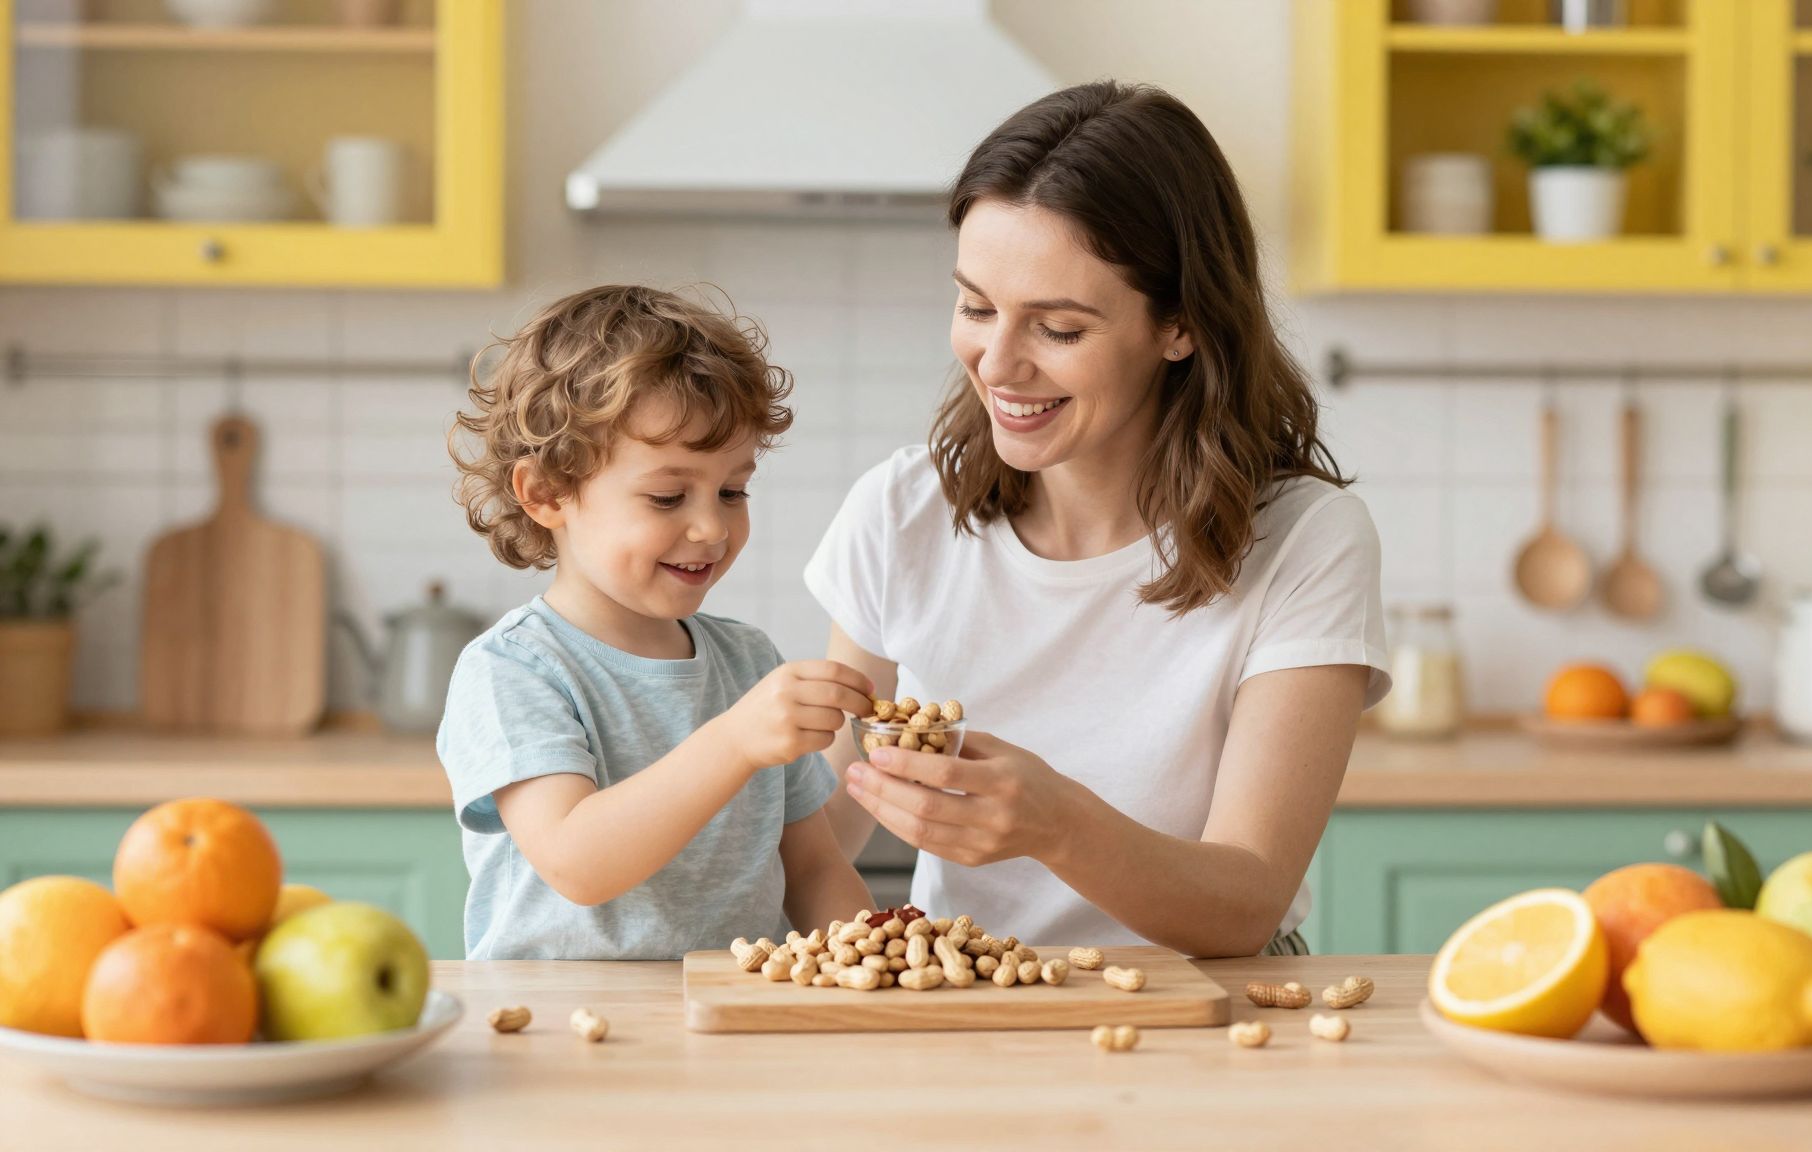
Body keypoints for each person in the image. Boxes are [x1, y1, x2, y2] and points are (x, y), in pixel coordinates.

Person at [806, 82, 1390, 957]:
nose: (998, 363)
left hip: (1217, 1015)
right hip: (971, 1001)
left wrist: (1056, 823)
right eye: (975, 307)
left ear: (1181, 325)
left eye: (1060, 329)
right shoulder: (901, 513)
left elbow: (1246, 902)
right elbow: (822, 827)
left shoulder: (1306, 541)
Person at [439, 284, 874, 960]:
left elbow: (814, 870)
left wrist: (883, 957)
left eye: (733, 490)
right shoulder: (512, 671)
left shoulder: (748, 662)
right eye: (667, 496)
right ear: (547, 493)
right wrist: (734, 741)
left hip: (735, 1033)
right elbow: (577, 863)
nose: (711, 527)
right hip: (565, 1041)